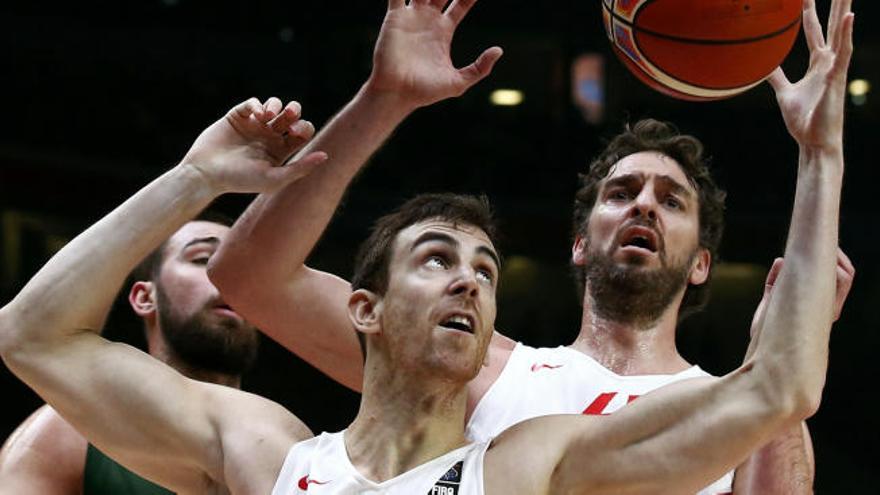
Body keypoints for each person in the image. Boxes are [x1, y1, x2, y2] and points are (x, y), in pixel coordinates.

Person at [208, 1, 854, 493]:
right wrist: (384, 98)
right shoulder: (482, 368)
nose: (644, 205)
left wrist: (778, 340)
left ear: (702, 262)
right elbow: (250, 277)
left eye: (671, 199)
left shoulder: (739, 398)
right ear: (578, 242)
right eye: (622, 190)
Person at [0, 212, 260, 494]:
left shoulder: (288, 446)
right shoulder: (68, 432)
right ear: (145, 297)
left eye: (242, 267)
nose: (228, 277)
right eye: (201, 259)